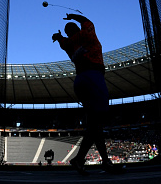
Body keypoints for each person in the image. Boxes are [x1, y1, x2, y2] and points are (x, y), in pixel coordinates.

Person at [52, 13, 121, 175]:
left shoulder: (67, 44)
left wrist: (59, 36)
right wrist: (72, 16)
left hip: (80, 81)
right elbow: (85, 20)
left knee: (94, 125)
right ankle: (79, 159)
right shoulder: (86, 33)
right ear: (77, 28)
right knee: (97, 124)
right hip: (94, 78)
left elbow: (61, 40)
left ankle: (105, 162)